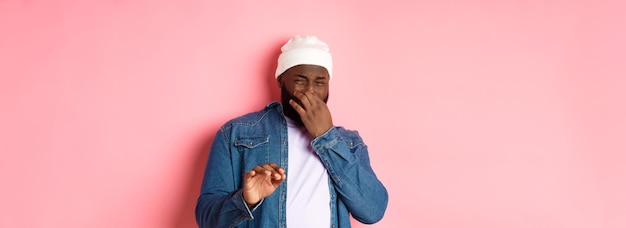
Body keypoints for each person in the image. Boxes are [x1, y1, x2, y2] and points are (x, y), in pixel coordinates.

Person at [195, 35, 388, 228]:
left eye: (320, 82)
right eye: (300, 80)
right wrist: (246, 200)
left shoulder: (348, 142)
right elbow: (206, 219)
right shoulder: (235, 134)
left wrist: (327, 137)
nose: (310, 91)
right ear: (281, 80)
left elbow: (373, 211)